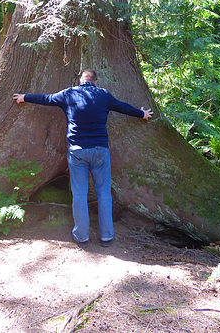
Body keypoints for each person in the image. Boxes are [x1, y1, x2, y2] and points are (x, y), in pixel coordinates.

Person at [13, 69, 153, 248]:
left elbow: (46, 99)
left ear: (81, 81)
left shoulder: (69, 93)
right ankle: (107, 237)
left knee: (79, 194)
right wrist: (142, 114)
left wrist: (25, 97)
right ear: (96, 82)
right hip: (99, 151)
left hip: (77, 151)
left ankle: (82, 237)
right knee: (103, 193)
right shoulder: (103, 95)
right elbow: (122, 106)